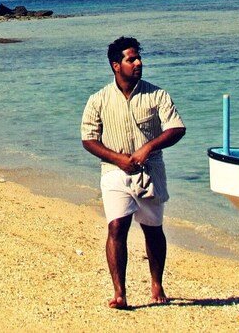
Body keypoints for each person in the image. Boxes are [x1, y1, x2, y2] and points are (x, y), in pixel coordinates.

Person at [81, 36, 186, 309]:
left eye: (138, 58)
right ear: (116, 65)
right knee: (117, 227)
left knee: (153, 230)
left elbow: (176, 128)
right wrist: (117, 158)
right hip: (114, 172)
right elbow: (88, 139)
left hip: (150, 171)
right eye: (131, 59)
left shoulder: (157, 95)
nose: (138, 63)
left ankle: (157, 284)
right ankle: (120, 292)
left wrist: (146, 149)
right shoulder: (98, 100)